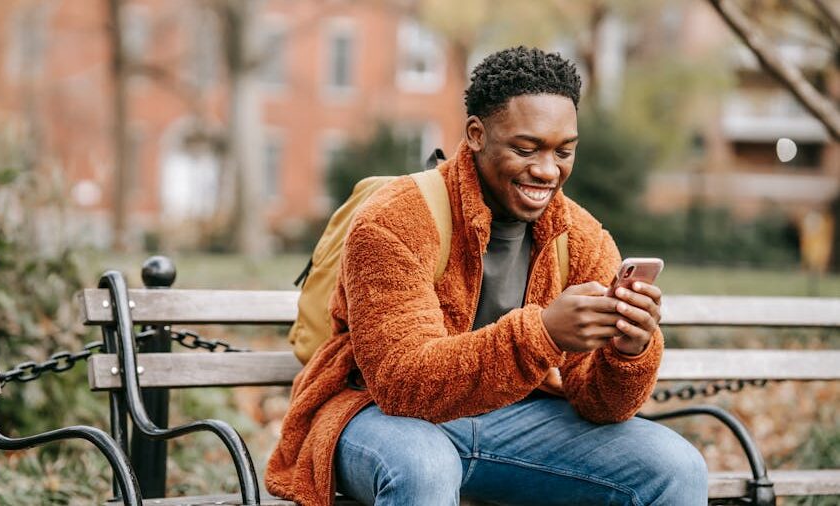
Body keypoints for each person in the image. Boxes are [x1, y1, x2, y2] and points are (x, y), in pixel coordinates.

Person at [266, 46, 708, 506]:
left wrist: (628, 350)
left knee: (674, 468)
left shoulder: (581, 237)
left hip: (513, 424)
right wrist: (542, 333)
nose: (546, 170)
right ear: (476, 134)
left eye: (564, 151)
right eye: (525, 148)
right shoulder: (394, 218)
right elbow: (401, 385)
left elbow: (602, 405)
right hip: (375, 417)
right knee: (424, 465)